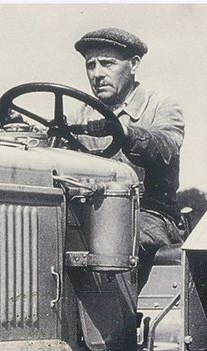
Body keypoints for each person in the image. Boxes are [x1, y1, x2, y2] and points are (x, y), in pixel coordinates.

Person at [71, 28, 185, 277]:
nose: (97, 74)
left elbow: (165, 146)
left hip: (151, 216)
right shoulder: (80, 115)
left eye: (107, 63)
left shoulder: (161, 106)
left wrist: (126, 132)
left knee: (113, 238)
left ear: (133, 64)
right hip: (93, 213)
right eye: (91, 65)